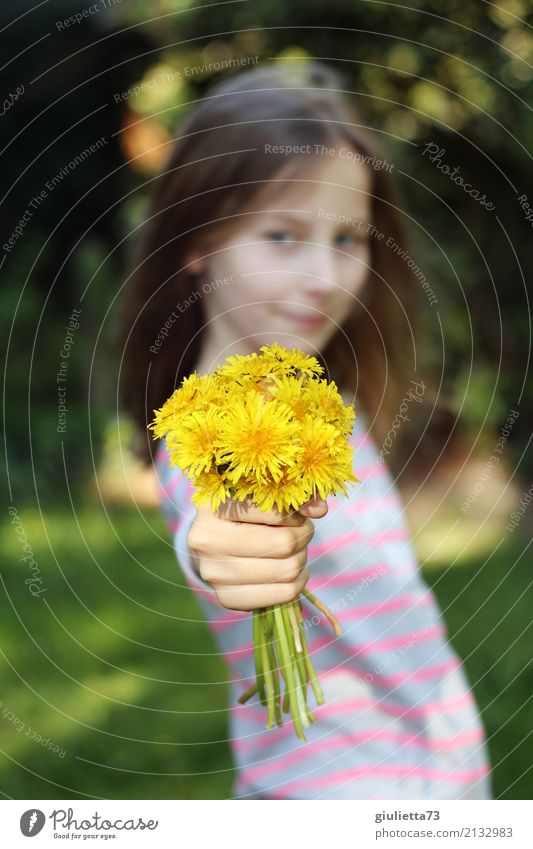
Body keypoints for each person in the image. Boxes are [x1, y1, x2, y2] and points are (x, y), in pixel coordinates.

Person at [122, 61, 492, 800]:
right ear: (197, 242)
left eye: (347, 238)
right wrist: (230, 545)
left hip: (429, 770)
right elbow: (216, 529)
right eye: (283, 235)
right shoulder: (208, 418)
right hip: (339, 794)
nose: (324, 275)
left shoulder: (316, 393)